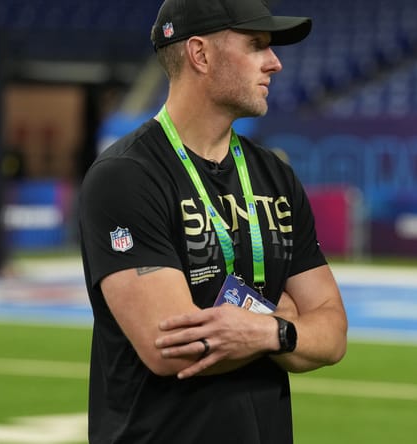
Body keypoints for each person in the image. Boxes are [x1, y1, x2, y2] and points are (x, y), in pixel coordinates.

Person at [78, 0, 347, 442]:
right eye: (257, 45)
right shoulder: (126, 176)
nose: (275, 63)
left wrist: (260, 330)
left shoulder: (275, 176)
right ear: (200, 54)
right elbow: (172, 350)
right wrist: (287, 326)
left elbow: (333, 332)